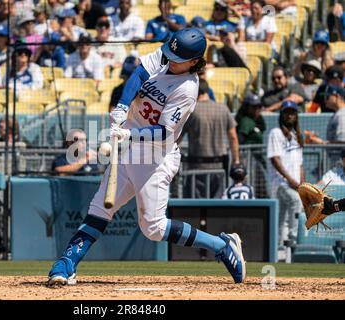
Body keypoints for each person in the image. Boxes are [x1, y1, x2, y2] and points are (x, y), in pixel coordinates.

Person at [47, 28, 246, 286]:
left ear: (195, 61)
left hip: (155, 158)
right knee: (99, 209)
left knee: (153, 228)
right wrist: (121, 106)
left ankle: (220, 244)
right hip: (129, 149)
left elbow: (164, 132)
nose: (170, 59)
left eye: (178, 58)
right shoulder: (166, 57)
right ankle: (67, 263)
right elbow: (139, 74)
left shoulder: (187, 88)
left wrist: (130, 135)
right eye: (170, 54)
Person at [181, 79, 240, 198]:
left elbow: (178, 137)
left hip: (196, 167)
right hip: (219, 167)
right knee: (216, 208)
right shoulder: (223, 109)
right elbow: (233, 137)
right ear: (207, 91)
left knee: (195, 208)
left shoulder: (191, 110)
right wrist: (236, 160)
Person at [267, 100, 304, 250]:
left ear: (296, 115)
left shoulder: (297, 136)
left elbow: (300, 164)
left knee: (280, 217)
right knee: (295, 201)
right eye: (287, 112)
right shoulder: (276, 133)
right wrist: (291, 180)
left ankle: (277, 247)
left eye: (292, 112)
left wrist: (302, 183)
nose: (290, 115)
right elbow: (275, 159)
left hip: (294, 183)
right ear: (281, 114)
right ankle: (293, 241)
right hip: (281, 183)